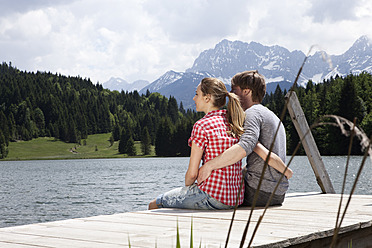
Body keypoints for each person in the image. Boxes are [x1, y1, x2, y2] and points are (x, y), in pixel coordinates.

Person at [148, 77, 287, 210]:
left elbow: (191, 175)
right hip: (235, 199)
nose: (194, 98)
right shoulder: (234, 122)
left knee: (155, 203)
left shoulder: (201, 125)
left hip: (212, 197)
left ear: (207, 98)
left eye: (197, 94)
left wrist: (188, 188)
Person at [198, 71, 293, 207]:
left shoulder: (251, 113)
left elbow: (245, 146)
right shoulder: (273, 117)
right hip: (278, 194)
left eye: (234, 90)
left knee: (213, 193)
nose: (230, 95)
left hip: (258, 192)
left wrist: (209, 166)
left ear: (246, 91)